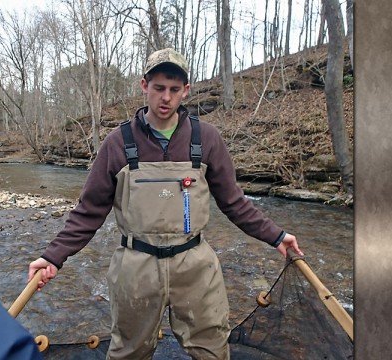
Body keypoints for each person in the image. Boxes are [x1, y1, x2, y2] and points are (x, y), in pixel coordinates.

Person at [28, 48, 303, 360]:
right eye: (159, 88)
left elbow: (234, 202)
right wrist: (53, 256)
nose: (166, 98)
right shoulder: (118, 143)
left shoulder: (207, 138)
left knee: (212, 349)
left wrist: (277, 236)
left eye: (174, 90)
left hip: (196, 265)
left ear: (186, 90)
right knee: (128, 352)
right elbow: (88, 212)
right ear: (144, 85)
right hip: (136, 267)